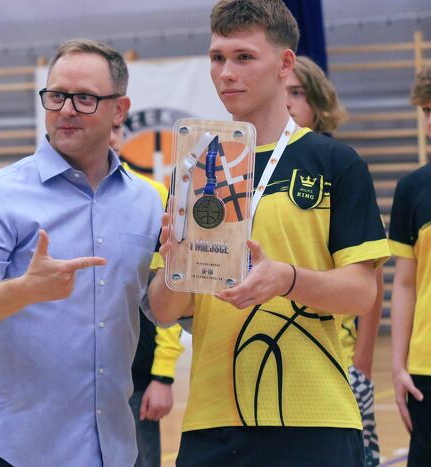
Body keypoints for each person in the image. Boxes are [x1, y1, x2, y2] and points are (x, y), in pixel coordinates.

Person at [148, 1, 390, 465]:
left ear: (284, 63)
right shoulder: (195, 167)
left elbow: (362, 293)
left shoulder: (334, 163)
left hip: (315, 416)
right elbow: (163, 310)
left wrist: (287, 279)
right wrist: (175, 267)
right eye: (217, 57)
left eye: (244, 57)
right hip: (212, 421)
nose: (226, 73)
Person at [0, 39, 164, 467]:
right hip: (12, 450)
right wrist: (23, 290)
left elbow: (161, 307)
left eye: (85, 98)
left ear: (119, 110)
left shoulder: (147, 203)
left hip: (112, 449)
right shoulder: (0, 194)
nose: (66, 110)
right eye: (57, 95)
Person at [286, 55, 384, 467]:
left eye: (297, 92)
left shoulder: (339, 166)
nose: (287, 102)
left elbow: (371, 282)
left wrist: (363, 361)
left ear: (317, 102)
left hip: (336, 359)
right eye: (282, 91)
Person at [110, 122, 184, 467]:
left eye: (116, 128)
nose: (109, 136)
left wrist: (162, 375)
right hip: (71, 379)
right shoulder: (53, 201)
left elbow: (167, 290)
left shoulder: (152, 196)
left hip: (135, 378)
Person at [390, 65, 431, 467]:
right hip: (426, 370)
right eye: (427, 111)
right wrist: (398, 366)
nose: (430, 121)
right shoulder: (412, 188)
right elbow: (405, 284)